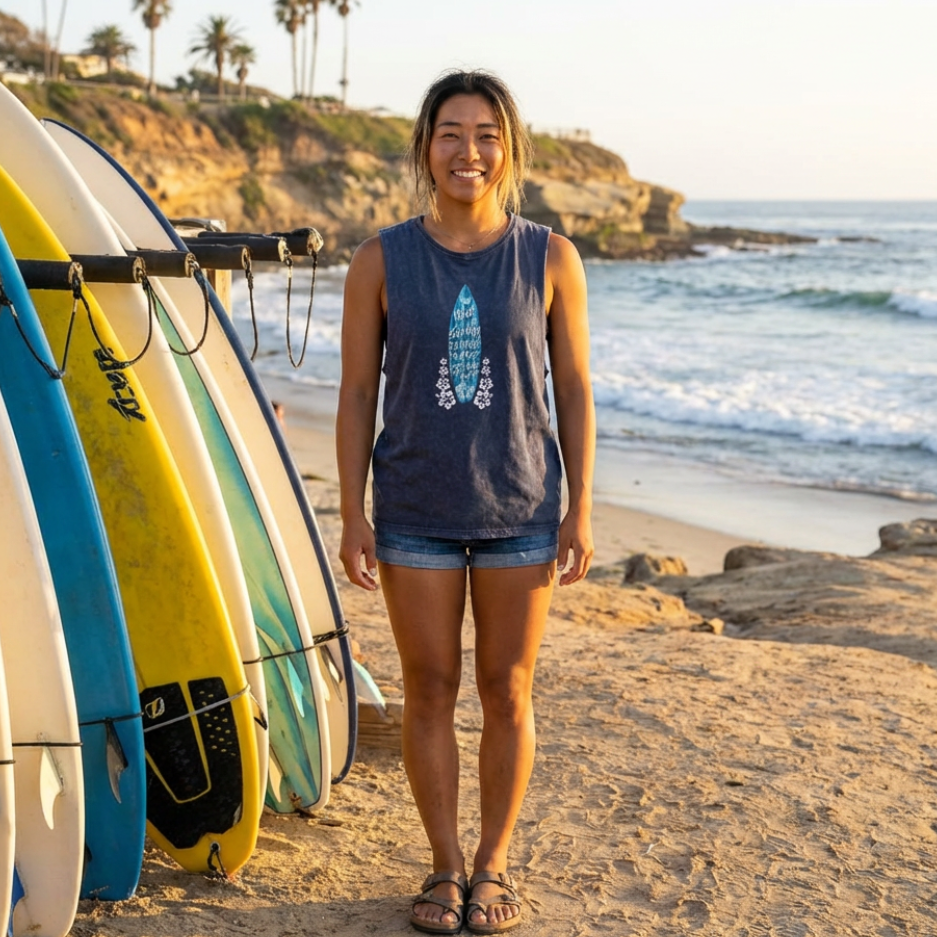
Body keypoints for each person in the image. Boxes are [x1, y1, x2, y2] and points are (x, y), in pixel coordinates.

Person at [337, 69, 595, 935]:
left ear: (508, 149)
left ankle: (493, 866)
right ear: (425, 147)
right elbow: (354, 393)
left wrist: (580, 507)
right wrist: (351, 513)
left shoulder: (549, 255)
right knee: (428, 689)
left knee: (508, 691)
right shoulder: (380, 258)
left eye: (485, 134)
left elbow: (576, 388)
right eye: (450, 133)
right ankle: (444, 864)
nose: (467, 151)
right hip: (411, 507)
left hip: (522, 507)